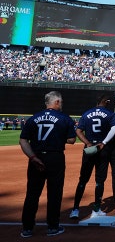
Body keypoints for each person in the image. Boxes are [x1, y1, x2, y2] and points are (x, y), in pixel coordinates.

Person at [20, 91, 76, 238]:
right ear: (56, 102)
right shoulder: (64, 118)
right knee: (54, 193)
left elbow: (23, 140)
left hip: (36, 158)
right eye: (61, 102)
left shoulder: (33, 118)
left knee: (32, 194)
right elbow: (71, 140)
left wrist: (32, 157)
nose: (62, 104)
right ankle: (52, 226)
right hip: (55, 157)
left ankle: (27, 228)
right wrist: (57, 138)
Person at [70, 94, 114, 219]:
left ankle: (75, 209)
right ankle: (96, 209)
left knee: (83, 179)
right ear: (105, 102)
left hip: (89, 149)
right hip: (103, 149)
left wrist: (87, 142)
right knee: (99, 180)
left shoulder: (86, 113)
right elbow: (114, 130)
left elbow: (78, 131)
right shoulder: (110, 114)